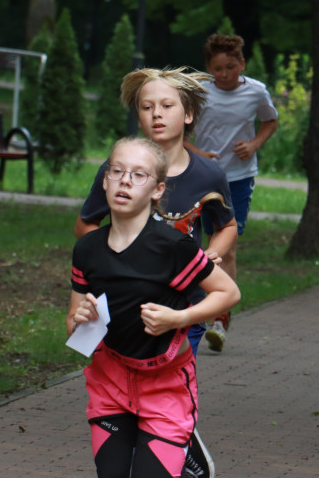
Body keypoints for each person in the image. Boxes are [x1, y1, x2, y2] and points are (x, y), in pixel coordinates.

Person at [68, 137, 241, 478]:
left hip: (164, 382)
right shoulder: (87, 249)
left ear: (158, 189)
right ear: (105, 181)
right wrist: (79, 315)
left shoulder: (172, 246)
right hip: (109, 379)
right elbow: (73, 325)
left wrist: (175, 319)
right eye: (117, 172)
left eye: (138, 175)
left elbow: (228, 293)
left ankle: (186, 446)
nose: (125, 181)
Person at [75, 67, 238, 358]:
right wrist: (108, 259)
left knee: (167, 381)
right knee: (117, 373)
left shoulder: (209, 175)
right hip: (124, 300)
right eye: (147, 107)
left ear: (188, 115)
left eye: (166, 106)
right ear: (139, 117)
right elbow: (85, 225)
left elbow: (227, 226)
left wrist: (213, 252)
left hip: (186, 303)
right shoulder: (118, 172)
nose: (156, 114)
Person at [185, 33, 279, 352]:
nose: (223, 75)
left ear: (242, 64)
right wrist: (194, 152)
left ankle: (220, 316)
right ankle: (192, 308)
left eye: (229, 67)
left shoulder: (256, 92)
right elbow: (176, 129)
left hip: (237, 178)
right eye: (216, 68)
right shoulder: (198, 91)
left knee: (226, 246)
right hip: (197, 175)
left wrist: (253, 145)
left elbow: (270, 121)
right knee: (190, 243)